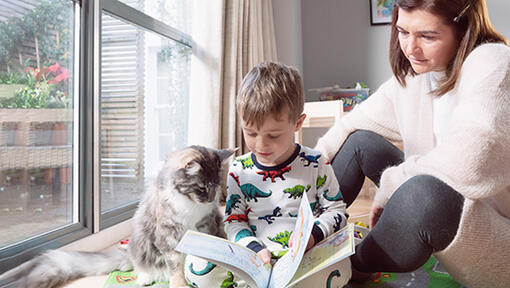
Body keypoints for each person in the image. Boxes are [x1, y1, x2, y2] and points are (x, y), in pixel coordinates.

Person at [315, 0, 510, 287]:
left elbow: (470, 162)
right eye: (403, 32)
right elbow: (349, 125)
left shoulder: (493, 64)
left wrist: (393, 182)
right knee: (359, 142)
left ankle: (351, 265)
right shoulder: (418, 77)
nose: (410, 48)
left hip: (495, 235)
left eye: (427, 36)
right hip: (446, 213)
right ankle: (304, 238)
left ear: (464, 27)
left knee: (422, 193)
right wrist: (297, 172)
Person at [184, 62, 351, 287]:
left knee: (339, 266)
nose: (260, 144)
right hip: (254, 258)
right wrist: (253, 248)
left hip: (304, 256)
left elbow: (336, 210)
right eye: (251, 133)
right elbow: (234, 221)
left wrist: (314, 235)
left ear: (297, 123)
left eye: (273, 135)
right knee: (196, 267)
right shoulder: (239, 169)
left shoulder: (316, 162)